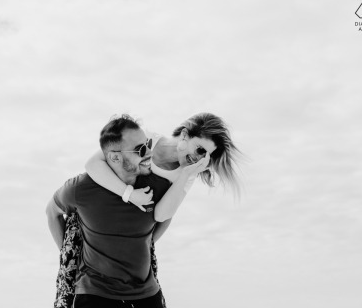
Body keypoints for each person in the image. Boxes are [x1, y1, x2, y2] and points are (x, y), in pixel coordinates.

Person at [46, 115, 210, 308]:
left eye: (148, 145)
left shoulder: (156, 188)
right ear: (115, 157)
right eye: (141, 150)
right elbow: (52, 212)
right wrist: (71, 256)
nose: (149, 153)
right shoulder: (82, 187)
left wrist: (138, 242)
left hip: (147, 294)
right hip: (95, 293)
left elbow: (165, 218)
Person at [86, 112, 240, 219]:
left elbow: (161, 216)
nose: (198, 159)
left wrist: (186, 174)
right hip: (92, 208)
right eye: (200, 149)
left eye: (206, 157)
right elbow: (93, 164)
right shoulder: (144, 138)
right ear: (185, 135)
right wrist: (130, 194)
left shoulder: (186, 176)